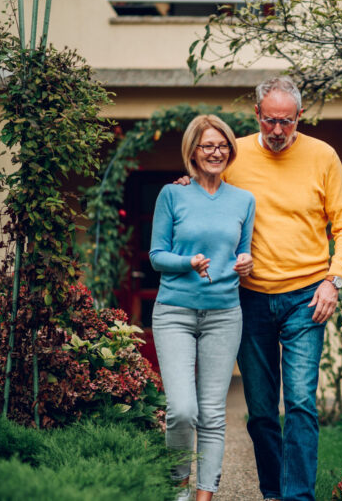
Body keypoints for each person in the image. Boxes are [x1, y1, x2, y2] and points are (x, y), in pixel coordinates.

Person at [177, 76, 342, 500]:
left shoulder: (323, 156)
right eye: (271, 120)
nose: (278, 130)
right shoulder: (235, 156)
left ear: (300, 117)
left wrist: (334, 280)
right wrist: (187, 186)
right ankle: (274, 492)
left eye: (288, 121)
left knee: (299, 403)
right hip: (249, 298)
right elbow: (204, 190)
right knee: (260, 412)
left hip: (307, 297)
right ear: (257, 114)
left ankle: (297, 497)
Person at [150, 114, 256, 501]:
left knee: (212, 413)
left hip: (225, 313)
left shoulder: (244, 200)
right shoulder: (172, 194)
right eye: (207, 145)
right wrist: (188, 262)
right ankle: (177, 488)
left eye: (223, 144)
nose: (216, 152)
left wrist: (247, 262)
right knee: (181, 409)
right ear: (192, 152)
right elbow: (156, 256)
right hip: (174, 311)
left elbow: (244, 253)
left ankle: (203, 495)